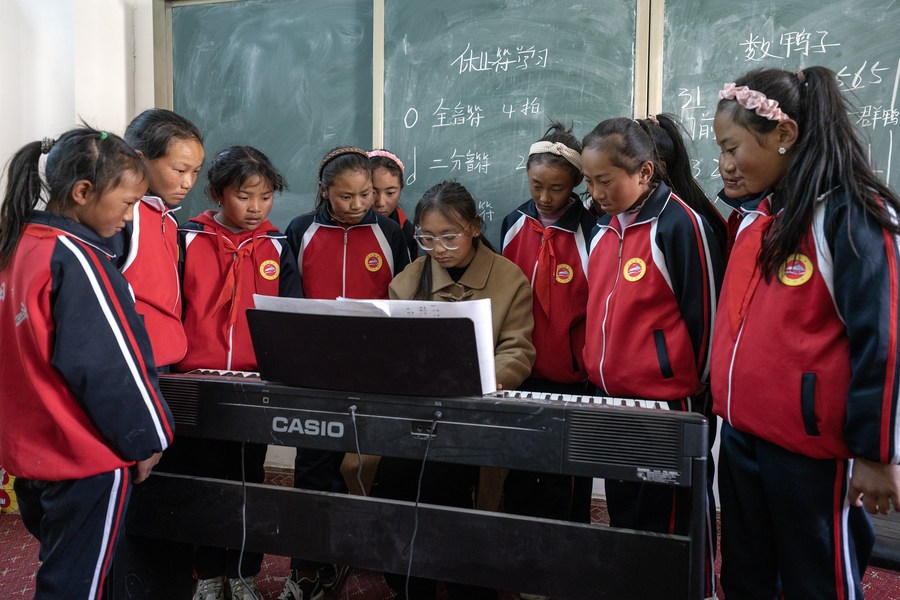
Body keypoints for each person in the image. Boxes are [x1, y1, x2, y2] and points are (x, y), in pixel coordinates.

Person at [710, 66, 900, 599]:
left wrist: (876, 454)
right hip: (744, 437)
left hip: (812, 455)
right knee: (745, 576)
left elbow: (884, 341)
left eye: (732, 148)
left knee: (817, 581)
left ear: (785, 135)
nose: (724, 165)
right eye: (720, 150)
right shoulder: (759, 216)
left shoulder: (850, 212)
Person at [0, 127, 174, 598]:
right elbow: (110, 365)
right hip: (85, 459)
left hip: (33, 453)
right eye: (127, 203)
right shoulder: (78, 259)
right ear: (82, 192)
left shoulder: (19, 244)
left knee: (62, 571)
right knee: (78, 585)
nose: (129, 217)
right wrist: (149, 437)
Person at [371, 180, 536, 600]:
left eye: (449, 237)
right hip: (417, 414)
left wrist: (486, 380)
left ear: (475, 228)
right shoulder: (408, 280)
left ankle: (466, 581)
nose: (438, 249)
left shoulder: (508, 278)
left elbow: (518, 348)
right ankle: (412, 583)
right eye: (427, 239)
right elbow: (392, 350)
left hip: (476, 412)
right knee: (395, 481)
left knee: (448, 484)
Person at [581, 117, 724, 598]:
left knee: (674, 520)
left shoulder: (681, 224)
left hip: (668, 405)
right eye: (589, 181)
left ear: (644, 172)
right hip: (612, 401)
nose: (596, 193)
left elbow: (705, 316)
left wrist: (691, 390)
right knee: (627, 511)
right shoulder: (603, 229)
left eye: (605, 181)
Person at [279, 146, 410, 600]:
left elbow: (404, 299)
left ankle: (366, 551)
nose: (358, 205)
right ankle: (308, 564)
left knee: (370, 461)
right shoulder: (300, 230)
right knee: (314, 462)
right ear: (324, 191)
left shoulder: (390, 233)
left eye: (366, 195)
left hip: (375, 369)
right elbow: (290, 300)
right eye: (345, 196)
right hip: (317, 370)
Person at [176, 146, 302, 600]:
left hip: (254, 384)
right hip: (196, 382)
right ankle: (209, 571)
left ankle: (244, 571)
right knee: (203, 480)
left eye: (265, 197)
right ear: (216, 193)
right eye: (244, 196)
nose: (255, 208)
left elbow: (289, 316)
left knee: (248, 480)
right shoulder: (186, 239)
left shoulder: (278, 245)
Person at [499, 121, 596, 527]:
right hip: (518, 372)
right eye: (536, 185)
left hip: (569, 379)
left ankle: (567, 549)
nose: (544, 197)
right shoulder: (512, 224)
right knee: (519, 470)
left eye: (556, 188)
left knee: (565, 476)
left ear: (576, 183)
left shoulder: (593, 231)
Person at [112, 108, 204, 370]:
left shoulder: (169, 219)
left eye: (196, 171)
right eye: (180, 170)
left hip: (166, 361)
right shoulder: (123, 216)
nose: (188, 182)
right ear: (139, 160)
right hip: (132, 360)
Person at [369, 148, 418, 258]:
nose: (380, 203)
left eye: (390, 193)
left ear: (400, 190)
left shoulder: (406, 230)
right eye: (372, 192)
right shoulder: (346, 227)